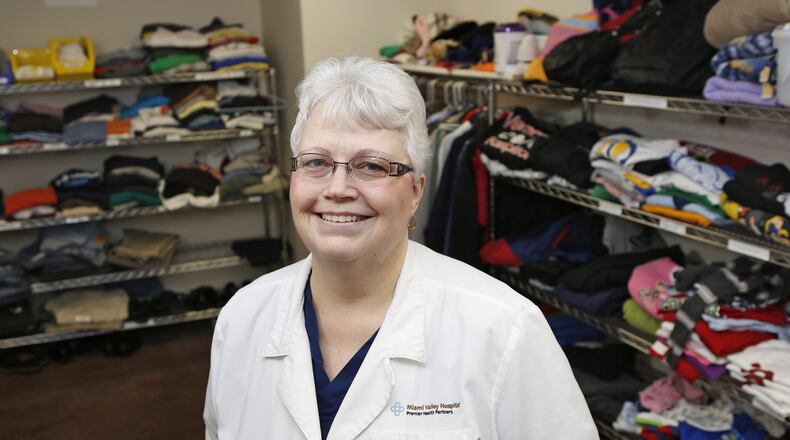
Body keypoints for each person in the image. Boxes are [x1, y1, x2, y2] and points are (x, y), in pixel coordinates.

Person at [203, 56, 597, 440]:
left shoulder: (504, 329)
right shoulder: (242, 317)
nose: (337, 189)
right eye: (316, 162)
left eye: (372, 166)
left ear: (415, 192)